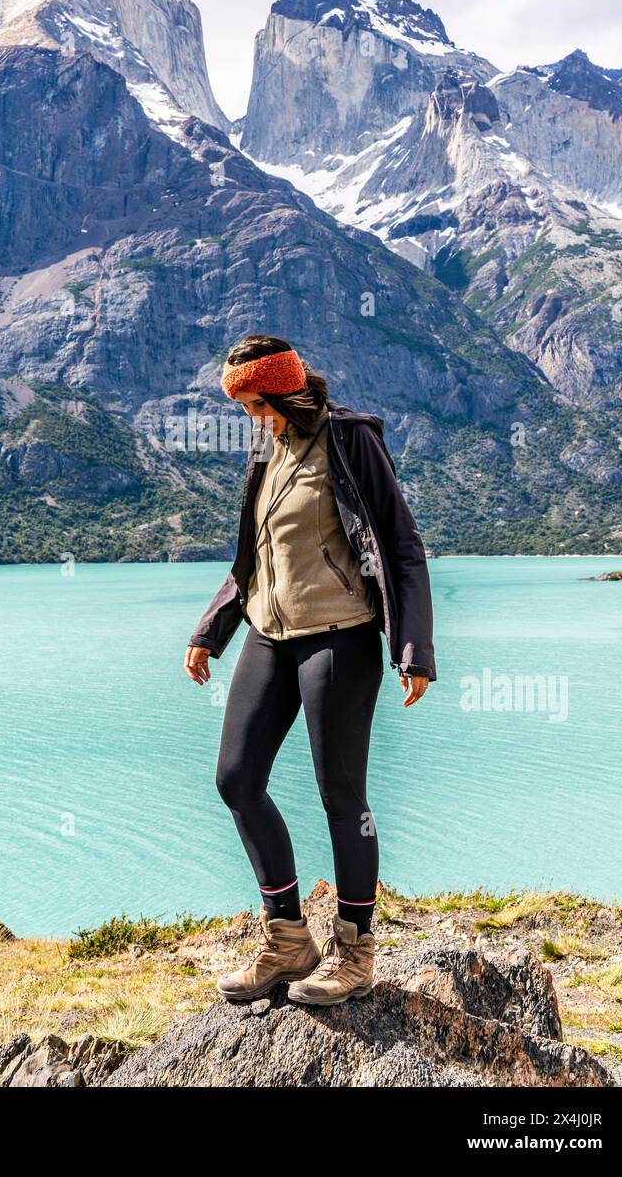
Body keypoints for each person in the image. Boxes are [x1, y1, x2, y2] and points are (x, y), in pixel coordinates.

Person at [183, 335, 436, 1006]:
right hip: (269, 633)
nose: (245, 416)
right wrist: (212, 630)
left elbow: (402, 545)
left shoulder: (350, 442)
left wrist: (412, 648)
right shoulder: (265, 449)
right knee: (236, 779)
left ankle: (354, 951)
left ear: (276, 393)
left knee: (340, 795)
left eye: (249, 403)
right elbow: (255, 557)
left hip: (340, 637)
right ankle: (289, 939)